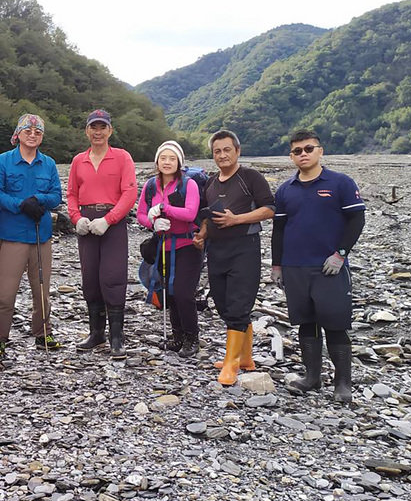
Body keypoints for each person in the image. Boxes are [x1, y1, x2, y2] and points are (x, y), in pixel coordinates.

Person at [271, 130, 366, 403]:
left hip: (329, 267)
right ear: (291, 156)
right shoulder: (286, 189)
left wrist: (340, 255)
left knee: (335, 324)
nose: (303, 154)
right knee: (306, 323)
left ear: (320, 151)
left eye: (308, 148)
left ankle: (342, 383)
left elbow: (356, 221)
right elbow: (279, 229)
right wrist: (277, 265)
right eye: (297, 151)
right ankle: (312, 377)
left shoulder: (340, 183)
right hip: (295, 266)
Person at [194, 129, 275, 385]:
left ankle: (231, 365)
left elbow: (270, 209)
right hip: (217, 250)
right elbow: (208, 216)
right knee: (221, 302)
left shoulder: (250, 177)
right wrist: (202, 234)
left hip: (244, 247)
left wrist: (236, 219)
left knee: (239, 304)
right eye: (217, 151)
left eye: (227, 149)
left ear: (237, 151)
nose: (222, 155)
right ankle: (246, 358)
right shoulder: (210, 182)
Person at [0, 113, 63, 360]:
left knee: (42, 289)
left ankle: (43, 333)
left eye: (37, 132)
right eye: (27, 131)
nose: (32, 135)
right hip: (13, 235)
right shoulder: (3, 161)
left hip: (42, 236)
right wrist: (21, 204)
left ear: (42, 136)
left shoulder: (49, 164)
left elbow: (56, 195)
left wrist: (39, 200)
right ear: (18, 134)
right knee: (5, 292)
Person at [67, 109, 138, 357]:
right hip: (87, 223)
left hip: (112, 224)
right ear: (87, 131)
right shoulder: (78, 160)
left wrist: (109, 220)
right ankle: (96, 334)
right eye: (93, 128)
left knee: (113, 276)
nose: (98, 132)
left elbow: (129, 193)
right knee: (90, 278)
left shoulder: (122, 157)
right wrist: (77, 218)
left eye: (102, 127)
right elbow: (72, 194)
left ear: (110, 130)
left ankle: (116, 337)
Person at [136, 140, 201, 357]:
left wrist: (165, 208)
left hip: (187, 245)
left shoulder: (188, 184)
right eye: (163, 158)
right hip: (164, 245)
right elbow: (141, 214)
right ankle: (177, 337)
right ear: (157, 161)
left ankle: (192, 338)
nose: (167, 162)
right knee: (170, 293)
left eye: (172, 158)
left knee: (184, 292)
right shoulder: (151, 186)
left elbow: (191, 213)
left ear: (179, 162)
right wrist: (152, 223)